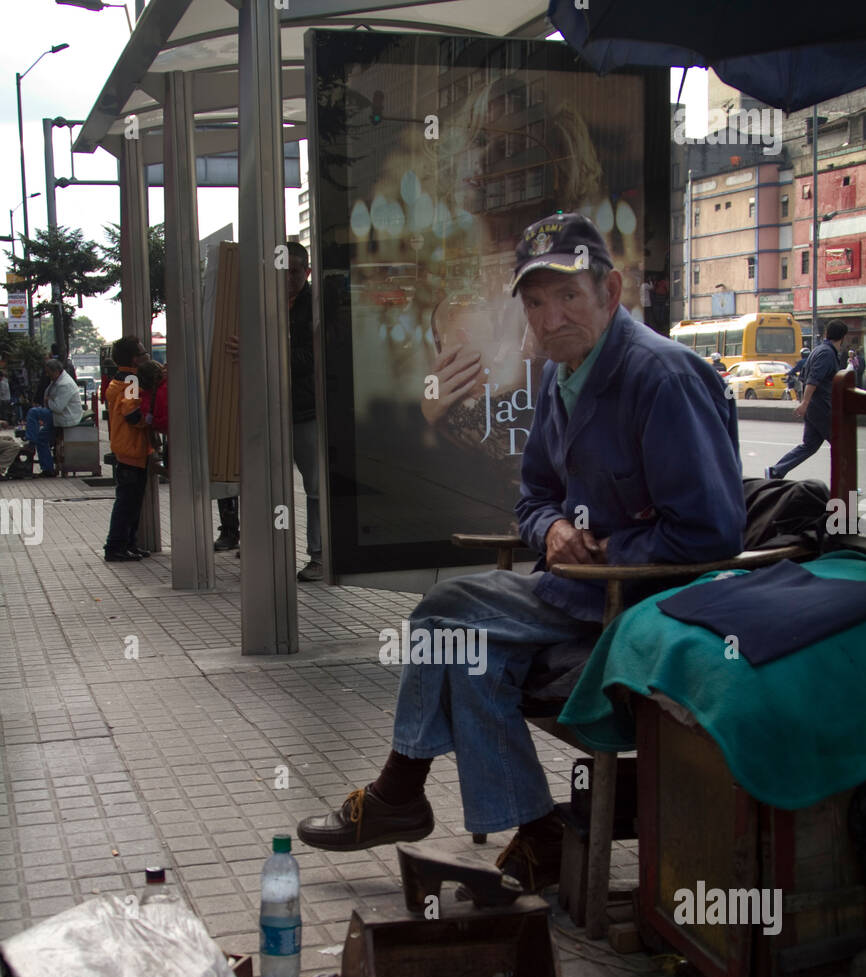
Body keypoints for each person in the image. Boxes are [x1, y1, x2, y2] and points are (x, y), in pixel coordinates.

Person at [297, 213, 745, 890]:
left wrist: (609, 549)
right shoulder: (561, 376)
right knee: (472, 659)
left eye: (568, 294)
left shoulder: (661, 376)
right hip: (577, 590)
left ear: (610, 290)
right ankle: (537, 834)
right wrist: (550, 533)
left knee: (443, 608)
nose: (550, 315)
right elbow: (534, 497)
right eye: (536, 301)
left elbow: (713, 531)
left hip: (646, 604)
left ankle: (399, 790)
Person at [221, 243, 321, 577]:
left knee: (316, 487)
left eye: (295, 271)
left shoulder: (316, 306)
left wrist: (257, 352)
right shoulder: (263, 304)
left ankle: (320, 556)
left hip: (306, 411)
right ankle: (262, 546)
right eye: (283, 271)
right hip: (266, 408)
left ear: (307, 272)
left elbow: (311, 360)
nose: (289, 278)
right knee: (261, 483)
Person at [767, 320, 848, 479]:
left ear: (826, 334)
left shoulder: (819, 350)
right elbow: (813, 379)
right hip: (822, 408)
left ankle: (776, 471)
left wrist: (806, 403)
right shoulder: (826, 354)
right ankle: (844, 484)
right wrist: (805, 403)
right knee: (841, 445)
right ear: (843, 337)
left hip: (814, 407)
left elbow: (805, 377)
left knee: (809, 445)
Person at [103, 335, 152, 562]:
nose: (146, 357)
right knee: (127, 503)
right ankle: (116, 547)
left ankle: (128, 544)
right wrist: (147, 421)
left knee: (130, 501)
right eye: (143, 354)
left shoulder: (117, 380)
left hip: (124, 448)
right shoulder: (132, 382)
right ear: (134, 359)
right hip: (132, 449)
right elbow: (131, 413)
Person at [23, 358, 82, 476]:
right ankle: (48, 469)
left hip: (64, 416)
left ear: (55, 371)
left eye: (49, 372)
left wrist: (48, 401)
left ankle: (31, 442)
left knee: (33, 412)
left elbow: (58, 407)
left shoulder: (64, 384)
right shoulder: (57, 380)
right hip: (57, 415)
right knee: (42, 439)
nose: (47, 375)